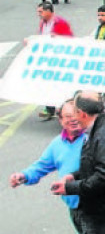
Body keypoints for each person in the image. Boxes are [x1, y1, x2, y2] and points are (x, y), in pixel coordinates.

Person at [50, 91, 105, 233]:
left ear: (83, 114)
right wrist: (75, 176)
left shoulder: (103, 137)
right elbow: (97, 164)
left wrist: (71, 188)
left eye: (75, 112)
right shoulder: (102, 128)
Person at [10, 99, 85, 232]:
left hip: (97, 208)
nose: (73, 120)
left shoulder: (93, 141)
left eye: (76, 116)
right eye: (68, 116)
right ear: (60, 120)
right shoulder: (57, 144)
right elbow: (40, 167)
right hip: (74, 208)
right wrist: (24, 176)